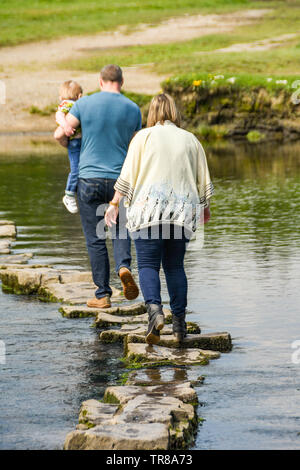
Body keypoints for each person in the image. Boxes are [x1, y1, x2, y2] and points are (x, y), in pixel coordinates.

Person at [105, 93, 213, 344]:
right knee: (175, 267)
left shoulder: (142, 137)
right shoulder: (191, 140)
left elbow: (128, 175)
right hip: (181, 214)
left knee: (148, 265)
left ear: (151, 113)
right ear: (174, 112)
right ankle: (179, 325)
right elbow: (202, 178)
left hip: (148, 212)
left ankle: (155, 313)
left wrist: (113, 203)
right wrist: (204, 208)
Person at [56, 65, 142, 308]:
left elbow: (62, 132)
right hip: (120, 181)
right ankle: (124, 267)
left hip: (88, 179)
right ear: (121, 82)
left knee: (95, 238)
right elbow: (136, 147)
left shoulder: (84, 104)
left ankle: (102, 295)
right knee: (120, 230)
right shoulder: (133, 109)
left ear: (100, 81)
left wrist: (72, 148)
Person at [54, 80, 83, 214]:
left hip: (81, 142)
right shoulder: (68, 104)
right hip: (74, 143)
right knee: (76, 170)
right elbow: (59, 115)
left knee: (80, 170)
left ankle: (77, 193)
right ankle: (69, 194)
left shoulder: (79, 105)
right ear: (80, 95)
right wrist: (65, 126)